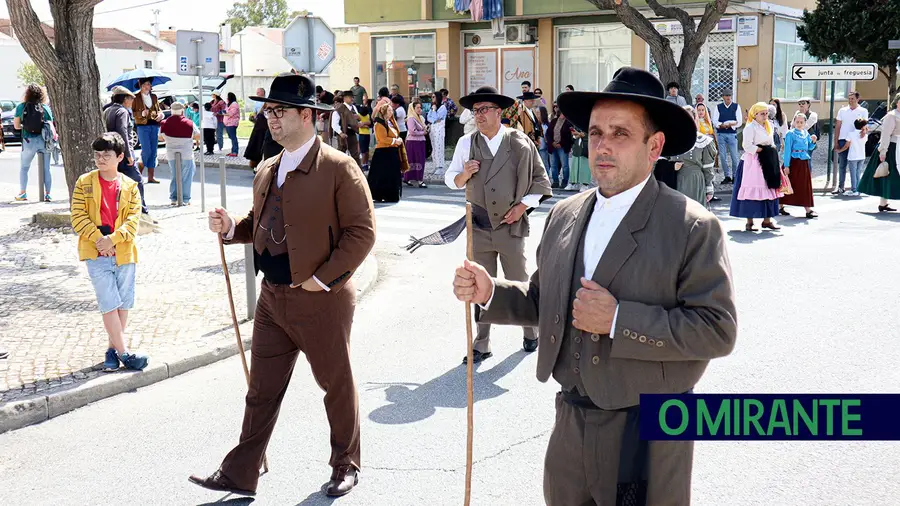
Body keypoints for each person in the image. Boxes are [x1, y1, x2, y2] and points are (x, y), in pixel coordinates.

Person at [452, 67, 736, 505]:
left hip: (648, 430)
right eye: (596, 131)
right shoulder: (566, 214)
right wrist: (491, 291)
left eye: (621, 133)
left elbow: (717, 329)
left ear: (655, 145)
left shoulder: (693, 227)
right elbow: (543, 301)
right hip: (571, 420)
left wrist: (619, 319)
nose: (602, 145)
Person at [190, 73, 375, 498]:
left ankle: (346, 463)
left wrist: (322, 281)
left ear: (307, 115)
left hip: (320, 299)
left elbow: (361, 233)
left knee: (336, 385)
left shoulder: (338, 167)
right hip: (272, 298)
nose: (270, 119)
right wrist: (230, 228)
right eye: (268, 111)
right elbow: (260, 224)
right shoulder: (269, 167)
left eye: (279, 111)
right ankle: (241, 472)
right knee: (261, 391)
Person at [444, 86, 553, 363]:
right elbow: (451, 179)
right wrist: (463, 175)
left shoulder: (519, 142)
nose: (478, 116)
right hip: (478, 228)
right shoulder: (466, 144)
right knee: (478, 287)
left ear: (498, 112)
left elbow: (541, 182)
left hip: (510, 226)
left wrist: (522, 207)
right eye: (475, 110)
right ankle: (481, 343)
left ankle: (531, 332)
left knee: (519, 280)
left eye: (483, 110)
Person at [70, 132, 150, 373]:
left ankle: (112, 351)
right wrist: (100, 241)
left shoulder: (131, 186)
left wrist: (113, 240)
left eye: (107, 155)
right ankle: (125, 353)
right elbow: (77, 217)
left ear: (120, 157)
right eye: (97, 154)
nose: (101, 159)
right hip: (95, 252)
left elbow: (133, 221)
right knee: (108, 302)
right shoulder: (84, 182)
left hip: (124, 251)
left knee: (123, 302)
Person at [729, 102, 782, 232]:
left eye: (766, 114)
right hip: (754, 162)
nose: (765, 116)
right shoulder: (750, 127)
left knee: (769, 189)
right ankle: (749, 222)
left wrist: (772, 153)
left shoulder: (768, 126)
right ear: (755, 115)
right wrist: (762, 150)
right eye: (762, 114)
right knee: (752, 190)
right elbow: (747, 146)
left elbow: (771, 142)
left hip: (768, 159)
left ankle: (767, 220)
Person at [102, 86, 148, 215]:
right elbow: (123, 132)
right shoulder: (122, 112)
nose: (132, 101)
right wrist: (128, 155)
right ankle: (142, 211)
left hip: (111, 152)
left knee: (118, 183)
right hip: (122, 151)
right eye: (131, 99)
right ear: (125, 99)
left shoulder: (108, 110)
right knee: (136, 181)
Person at [858, 91, 900, 212]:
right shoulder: (891, 116)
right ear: (897, 102)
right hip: (892, 147)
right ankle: (883, 202)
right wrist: (883, 151)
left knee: (891, 175)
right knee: (888, 174)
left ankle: (883, 203)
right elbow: (886, 135)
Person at [13, 84, 53, 202]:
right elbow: (50, 126)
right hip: (44, 141)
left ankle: (23, 193)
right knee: (46, 168)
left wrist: (25, 126)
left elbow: (16, 126)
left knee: (24, 167)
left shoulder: (21, 107)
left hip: (28, 140)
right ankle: (48, 194)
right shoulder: (45, 108)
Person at [670, 105, 717, 207]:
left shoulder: (703, 141)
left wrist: (709, 189)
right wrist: (670, 167)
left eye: (689, 117)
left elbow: (708, 167)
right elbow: (658, 163)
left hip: (695, 182)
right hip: (675, 181)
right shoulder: (670, 140)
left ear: (695, 119)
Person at [779, 113, 818, 218]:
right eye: (797, 122)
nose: (799, 124)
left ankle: (808, 209)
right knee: (787, 184)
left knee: (804, 185)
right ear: (794, 122)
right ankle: (780, 205)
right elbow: (787, 150)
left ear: (805, 123)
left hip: (803, 162)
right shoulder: (790, 134)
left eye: (801, 122)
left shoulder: (805, 133)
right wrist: (787, 165)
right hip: (793, 161)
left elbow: (809, 147)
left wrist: (813, 141)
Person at [161, 102, 200, 205]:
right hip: (186, 152)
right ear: (182, 111)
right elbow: (198, 135)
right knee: (187, 175)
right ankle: (185, 199)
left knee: (174, 174)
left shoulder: (164, 123)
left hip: (170, 152)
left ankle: (173, 198)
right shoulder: (189, 123)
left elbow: (160, 137)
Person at [367, 101, 405, 202]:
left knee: (391, 175)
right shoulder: (379, 124)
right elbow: (382, 139)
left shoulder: (390, 122)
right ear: (383, 112)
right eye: (389, 110)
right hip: (383, 153)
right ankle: (379, 195)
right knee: (382, 176)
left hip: (391, 152)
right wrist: (395, 141)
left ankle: (390, 195)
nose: (391, 112)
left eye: (391, 110)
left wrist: (398, 140)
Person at [833, 92, 868, 195]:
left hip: (856, 139)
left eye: (852, 98)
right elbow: (838, 126)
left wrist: (864, 132)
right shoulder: (842, 110)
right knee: (842, 164)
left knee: (856, 166)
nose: (850, 100)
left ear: (858, 99)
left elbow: (865, 125)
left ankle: (856, 187)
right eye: (849, 98)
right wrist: (836, 141)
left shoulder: (863, 111)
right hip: (843, 139)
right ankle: (841, 187)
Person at [132, 78, 164, 184]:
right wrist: (141, 114)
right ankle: (138, 175)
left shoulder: (154, 97)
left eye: (149, 84)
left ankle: (151, 177)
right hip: (142, 126)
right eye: (145, 84)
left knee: (154, 152)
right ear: (140, 86)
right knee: (146, 151)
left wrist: (160, 114)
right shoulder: (135, 98)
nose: (147, 86)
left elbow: (158, 109)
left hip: (154, 125)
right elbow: (132, 113)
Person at [713, 89, 741, 184]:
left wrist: (731, 125)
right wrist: (721, 125)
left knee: (734, 156)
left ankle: (735, 176)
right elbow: (715, 121)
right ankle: (727, 176)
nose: (728, 97)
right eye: (726, 95)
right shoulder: (719, 107)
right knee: (723, 157)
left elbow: (739, 121)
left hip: (732, 134)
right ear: (723, 97)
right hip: (721, 133)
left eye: (729, 95)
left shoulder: (736, 106)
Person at [546, 103, 573, 190]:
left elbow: (569, 137)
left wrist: (561, 143)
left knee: (565, 165)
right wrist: (552, 143)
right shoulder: (554, 121)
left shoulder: (568, 123)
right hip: (552, 146)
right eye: (562, 113)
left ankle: (564, 182)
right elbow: (548, 133)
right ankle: (555, 182)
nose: (562, 115)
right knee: (553, 165)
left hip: (562, 147)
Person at [839, 117, 869, 197]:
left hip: (852, 156)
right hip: (861, 156)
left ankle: (854, 189)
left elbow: (846, 146)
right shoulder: (865, 135)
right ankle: (858, 189)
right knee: (858, 173)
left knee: (853, 173)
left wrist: (839, 150)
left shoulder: (851, 134)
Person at [403, 100, 428, 188]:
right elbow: (412, 131)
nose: (419, 109)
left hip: (420, 142)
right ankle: (411, 178)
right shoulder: (411, 118)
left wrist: (426, 129)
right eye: (417, 107)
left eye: (420, 107)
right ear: (413, 108)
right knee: (412, 160)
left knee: (420, 160)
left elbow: (423, 127)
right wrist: (423, 132)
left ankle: (419, 179)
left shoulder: (420, 118)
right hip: (413, 142)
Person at [335, 92, 362, 167]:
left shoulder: (354, 107)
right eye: (351, 97)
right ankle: (338, 173)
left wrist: (358, 119)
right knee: (341, 154)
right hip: (342, 134)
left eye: (353, 97)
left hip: (352, 133)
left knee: (355, 155)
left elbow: (357, 119)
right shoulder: (339, 109)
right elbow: (334, 124)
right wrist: (341, 133)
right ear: (345, 98)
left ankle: (358, 173)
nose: (352, 99)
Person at [427, 91, 448, 172]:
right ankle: (435, 165)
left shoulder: (442, 107)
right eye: (431, 97)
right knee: (434, 148)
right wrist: (434, 116)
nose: (432, 98)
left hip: (439, 130)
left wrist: (434, 112)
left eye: (433, 97)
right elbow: (429, 118)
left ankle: (440, 166)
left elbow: (436, 118)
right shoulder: (432, 107)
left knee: (439, 147)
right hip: (433, 129)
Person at [357, 100, 373, 171]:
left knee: (363, 151)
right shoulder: (368, 115)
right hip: (367, 134)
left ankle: (363, 164)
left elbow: (359, 125)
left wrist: (362, 124)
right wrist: (365, 125)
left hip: (362, 134)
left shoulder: (359, 116)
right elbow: (369, 122)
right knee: (366, 150)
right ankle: (366, 164)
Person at [224, 93, 241, 157]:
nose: (227, 98)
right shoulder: (229, 104)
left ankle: (235, 151)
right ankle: (233, 150)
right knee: (231, 137)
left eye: (227, 97)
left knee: (233, 137)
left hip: (232, 123)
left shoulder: (234, 104)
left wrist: (224, 113)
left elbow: (231, 113)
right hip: (228, 123)